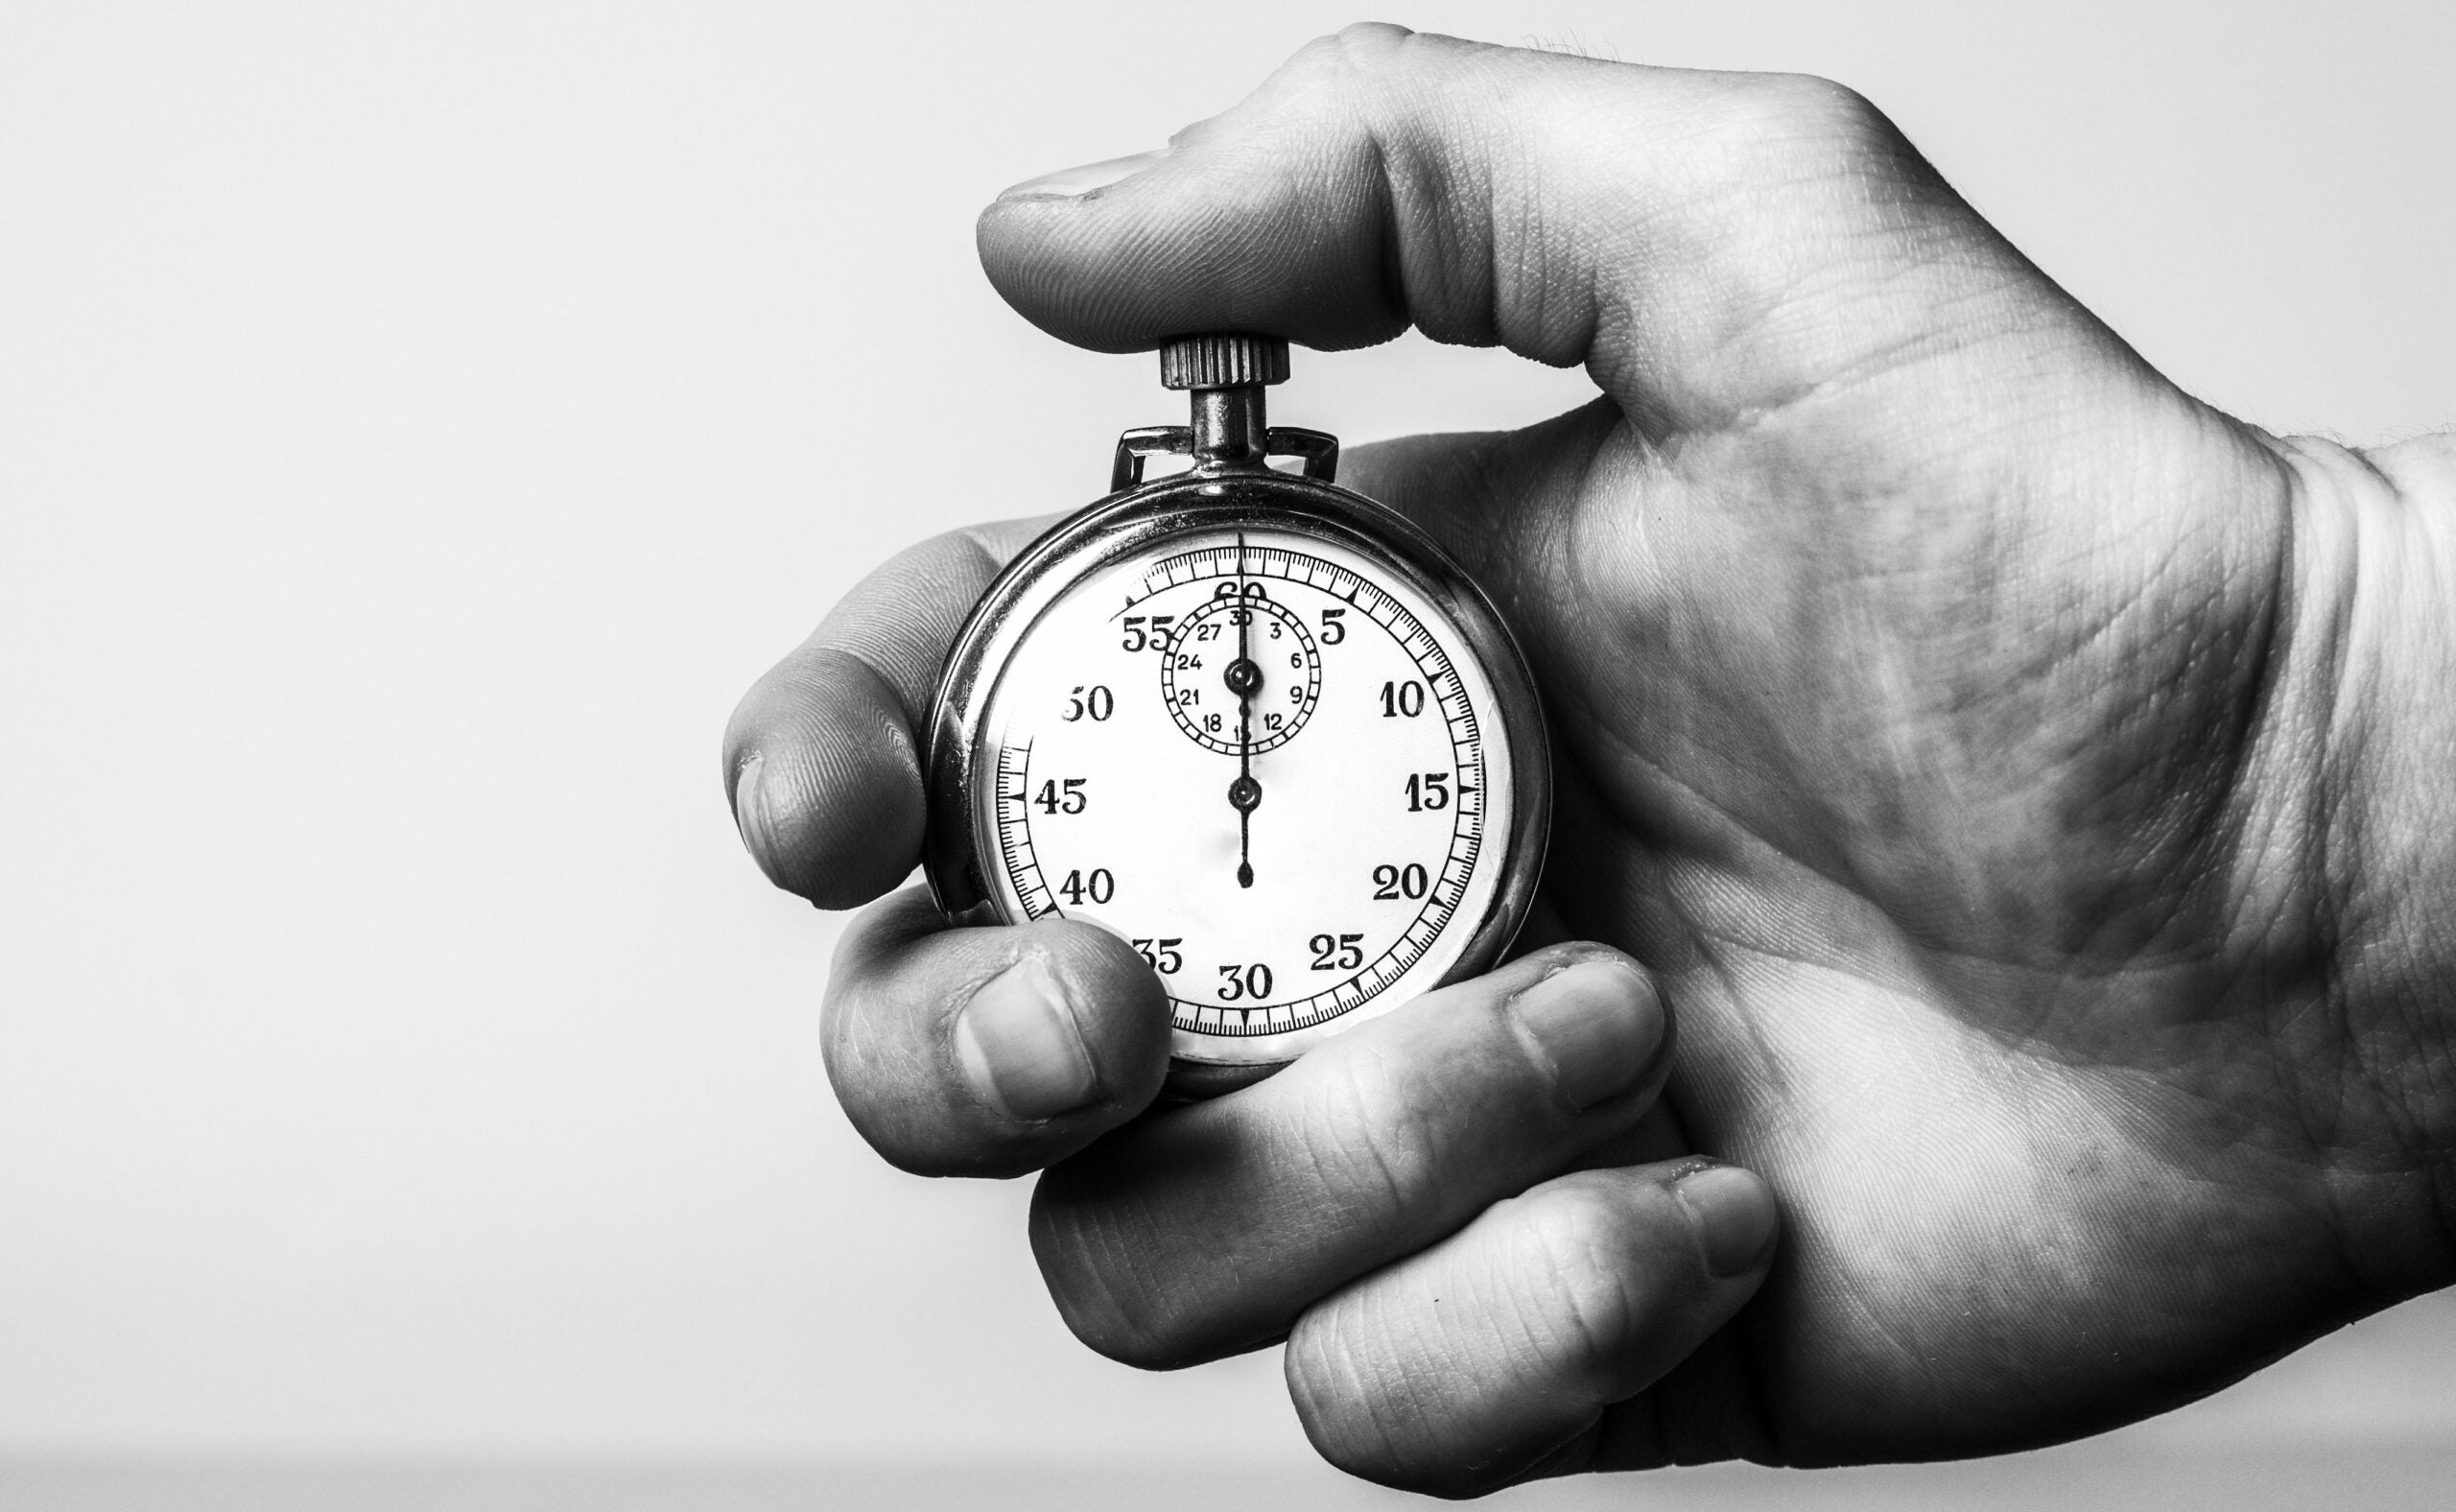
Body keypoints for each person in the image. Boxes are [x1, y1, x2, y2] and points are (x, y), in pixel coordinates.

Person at [720, 24, 2456, 1498]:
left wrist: (2320, 744)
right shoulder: (1134, 642)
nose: (1243, 783)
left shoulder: (1443, 641)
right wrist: (2346, 810)